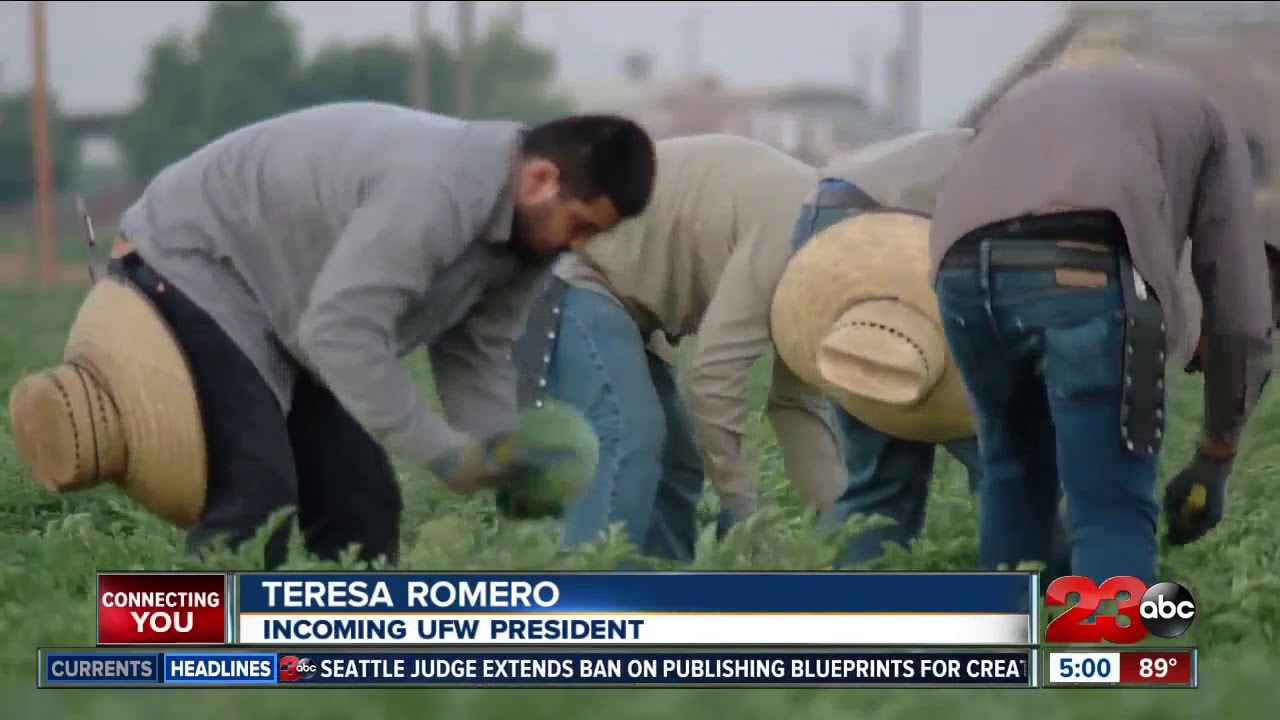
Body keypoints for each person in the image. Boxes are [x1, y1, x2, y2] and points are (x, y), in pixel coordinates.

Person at [12, 102, 657, 569]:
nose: (577, 247)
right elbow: (340, 333)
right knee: (256, 494)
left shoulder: (525, 243)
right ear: (543, 180)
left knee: (362, 508)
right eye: (578, 225)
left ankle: (347, 685)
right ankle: (170, 669)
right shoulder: (436, 193)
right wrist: (441, 452)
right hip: (197, 262)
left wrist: (501, 464)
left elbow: (476, 354)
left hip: (287, 313)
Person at [929, 60, 1276, 586]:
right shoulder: (1211, 122)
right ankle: (1102, 667)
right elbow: (1241, 309)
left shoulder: (1028, 96)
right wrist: (1217, 452)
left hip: (958, 269)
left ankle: (1007, 657)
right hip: (1082, 267)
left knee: (1012, 473)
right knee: (1110, 507)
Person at [513, 135, 842, 563]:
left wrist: (841, 532)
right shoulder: (792, 238)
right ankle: (594, 601)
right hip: (573, 269)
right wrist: (739, 504)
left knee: (677, 459)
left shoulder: (829, 265)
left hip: (626, 293)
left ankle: (663, 607)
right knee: (628, 432)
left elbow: (798, 403)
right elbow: (714, 373)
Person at [783, 130, 1066, 573]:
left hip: (826, 229)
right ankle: (1045, 597)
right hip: (884, 231)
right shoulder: (1058, 169)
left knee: (880, 474)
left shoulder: (1013, 140)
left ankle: (847, 608)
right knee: (1011, 453)